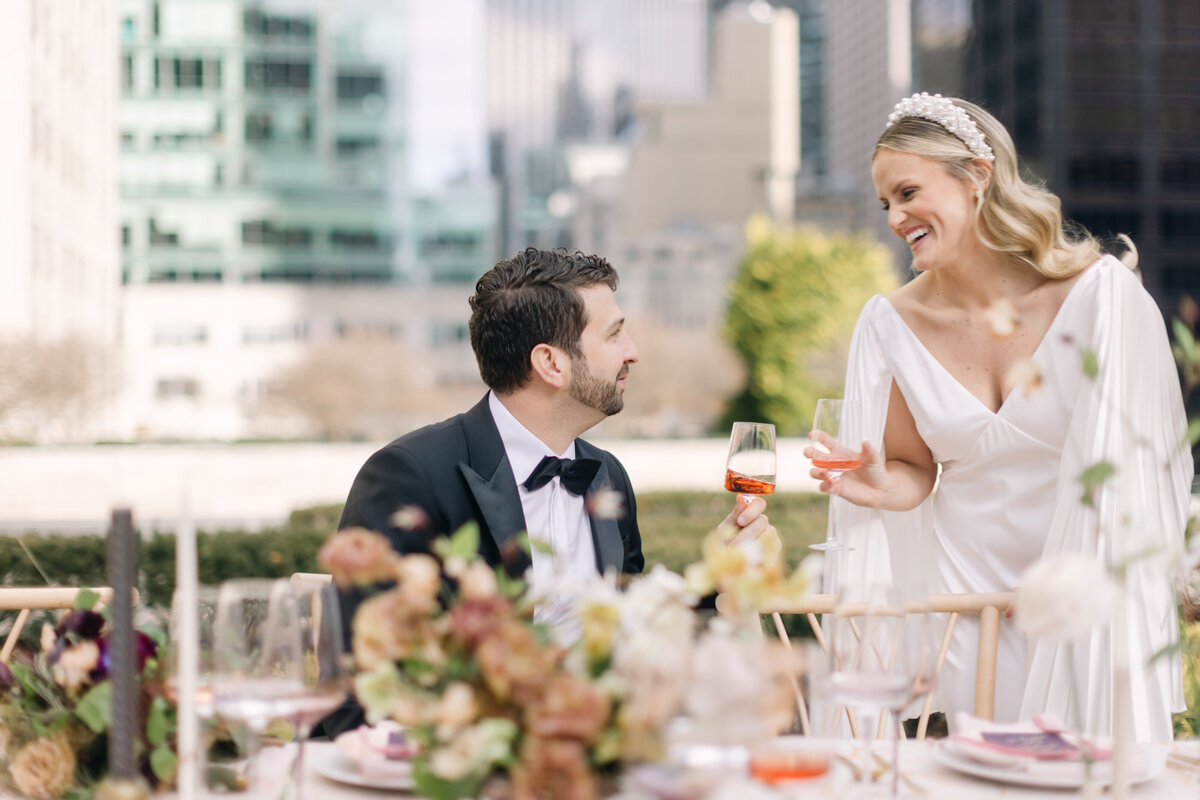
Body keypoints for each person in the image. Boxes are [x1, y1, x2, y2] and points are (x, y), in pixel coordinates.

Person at [806, 93, 1191, 742]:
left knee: (1092, 772)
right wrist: (880, 484)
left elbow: (1143, 473)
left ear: (977, 176)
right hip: (968, 612)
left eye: (907, 192)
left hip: (1085, 607)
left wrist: (1067, 587)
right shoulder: (894, 323)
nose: (895, 218)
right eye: (885, 204)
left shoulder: (1101, 299)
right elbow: (913, 470)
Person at [320, 247, 769, 736]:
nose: (633, 350)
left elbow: (630, 633)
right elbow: (368, 677)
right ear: (551, 363)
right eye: (614, 333)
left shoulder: (606, 474)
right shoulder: (409, 476)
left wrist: (715, 578)